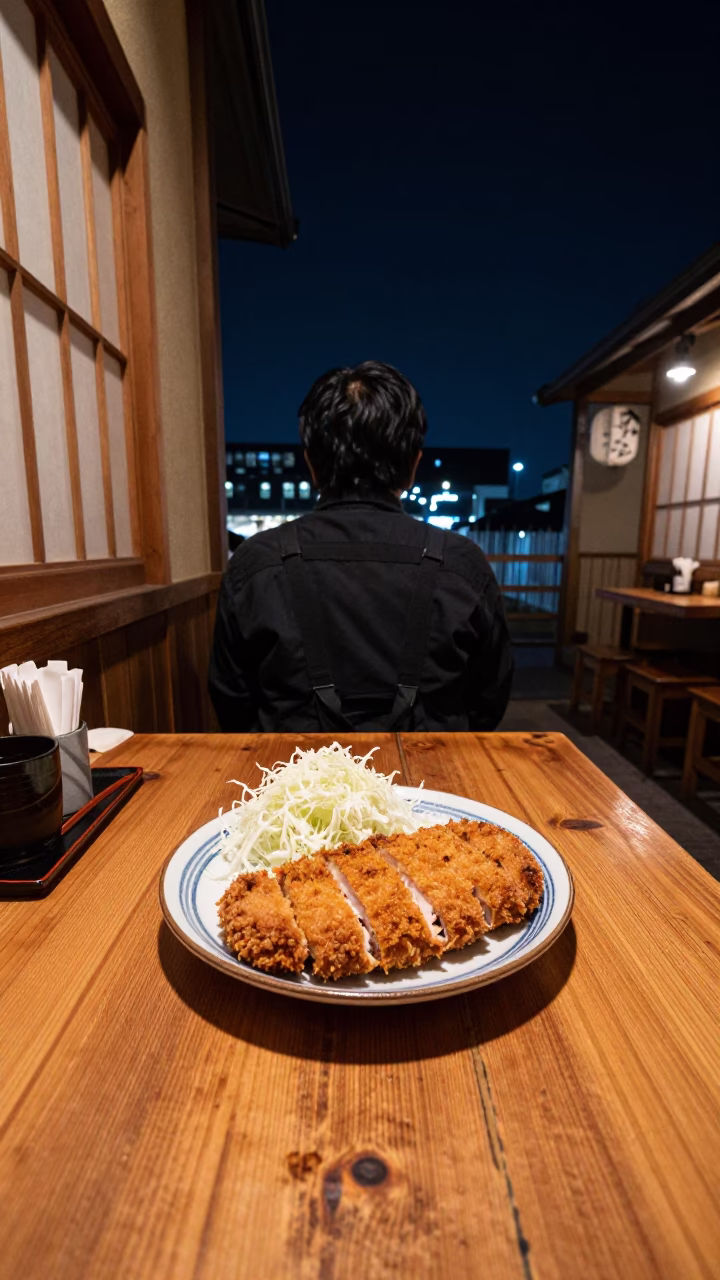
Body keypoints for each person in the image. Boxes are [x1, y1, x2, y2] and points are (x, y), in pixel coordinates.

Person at [209, 361, 512, 732]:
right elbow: (489, 699)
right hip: (434, 784)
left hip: (295, 785)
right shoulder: (460, 562)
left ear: (310, 462)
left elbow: (233, 702)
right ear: (413, 463)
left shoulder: (256, 561)